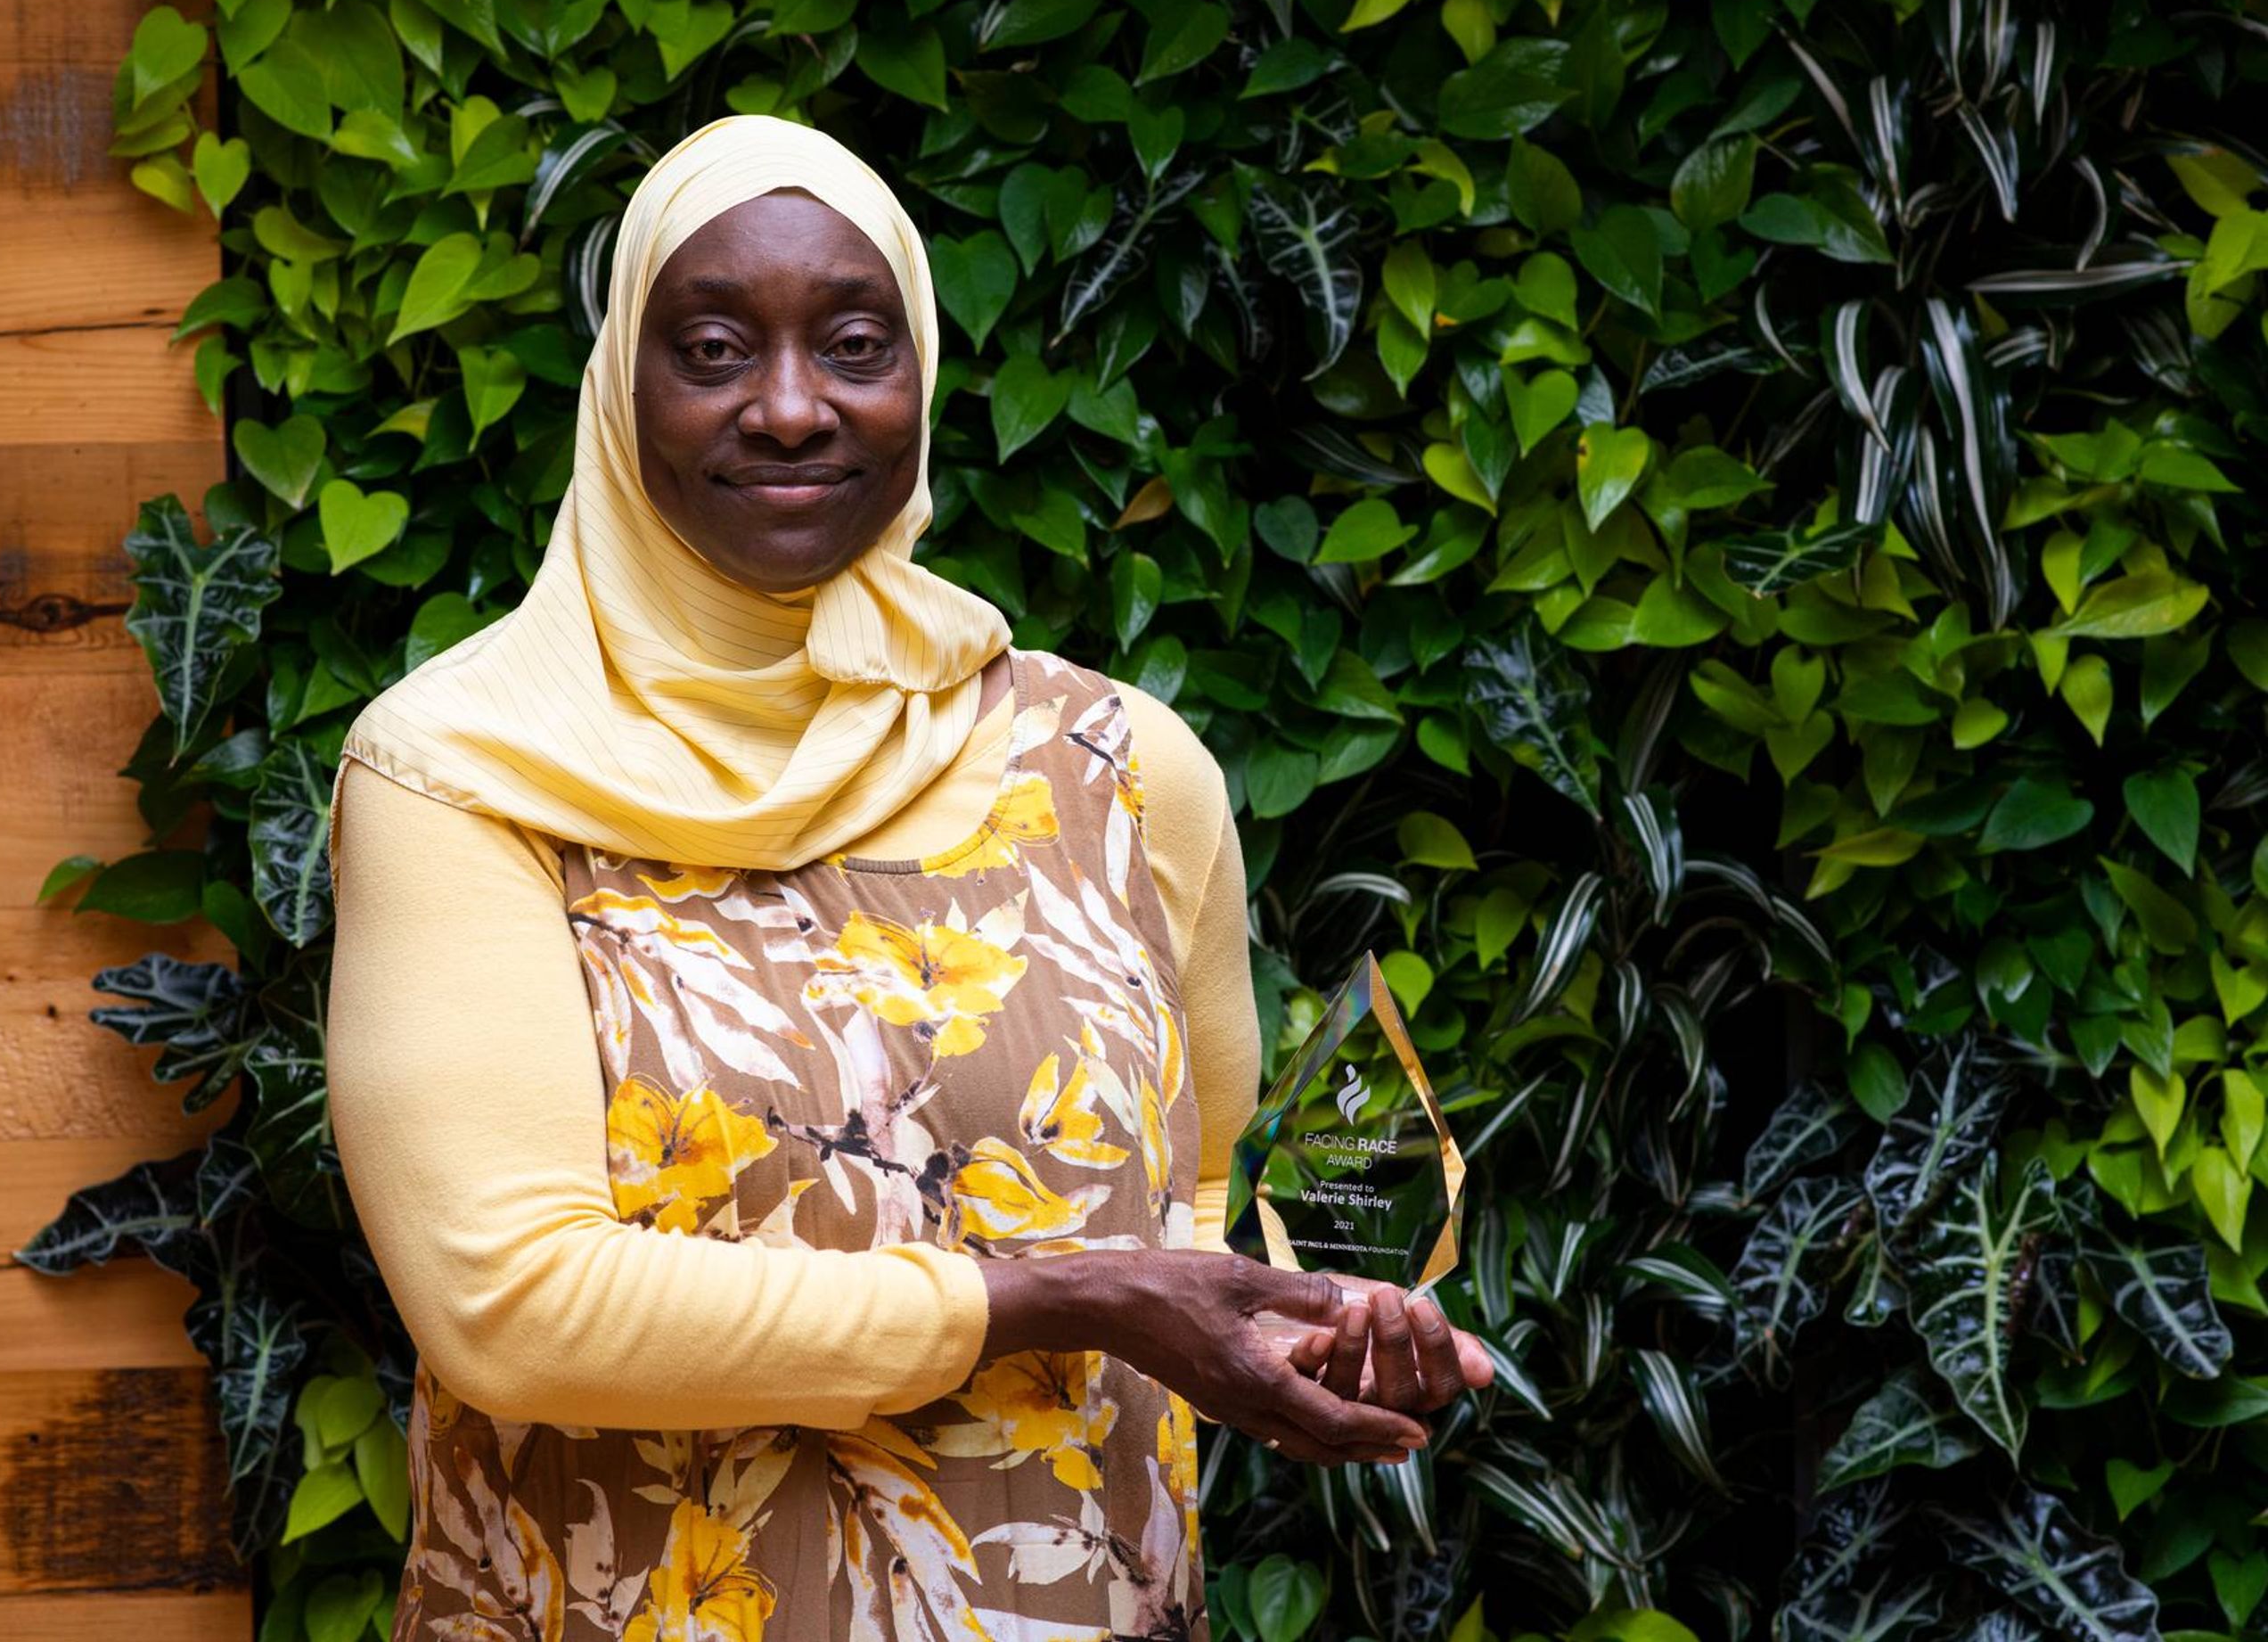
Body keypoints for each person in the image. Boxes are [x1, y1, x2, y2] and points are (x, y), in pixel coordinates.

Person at [323, 112, 1493, 1642]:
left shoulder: (1119, 764)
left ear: (921, 380)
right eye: (717, 348)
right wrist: (1048, 1304)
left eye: (855, 345)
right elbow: (512, 1309)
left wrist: (1305, 1332)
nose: (793, 408)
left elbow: (1192, 1193)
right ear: (623, 392)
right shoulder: (463, 772)